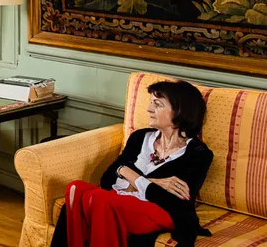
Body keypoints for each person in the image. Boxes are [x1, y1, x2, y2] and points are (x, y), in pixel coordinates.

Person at [50, 80, 213, 247]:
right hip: (119, 199)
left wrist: (126, 173)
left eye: (157, 104)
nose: (149, 109)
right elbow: (107, 179)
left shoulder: (198, 154)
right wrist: (149, 182)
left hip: (161, 210)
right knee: (75, 188)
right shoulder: (140, 137)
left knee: (99, 198)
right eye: (150, 103)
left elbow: (173, 201)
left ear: (179, 112)